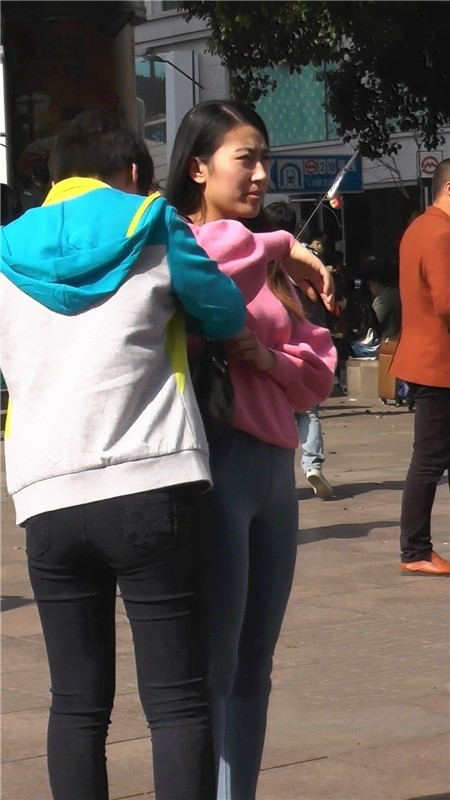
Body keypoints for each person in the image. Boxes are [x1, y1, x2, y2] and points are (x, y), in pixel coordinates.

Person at [1, 109, 248, 800]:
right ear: (135, 171)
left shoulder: (5, 249)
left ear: (54, 180)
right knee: (176, 702)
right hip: (149, 479)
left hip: (46, 492)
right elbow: (224, 313)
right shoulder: (155, 222)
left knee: (76, 705)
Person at [165, 100, 336, 799]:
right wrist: (282, 242)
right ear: (198, 167)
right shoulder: (179, 242)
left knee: (255, 663)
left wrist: (270, 361)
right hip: (216, 464)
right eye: (246, 158)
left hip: (274, 473)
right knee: (216, 662)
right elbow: (216, 261)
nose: (262, 174)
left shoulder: (268, 259)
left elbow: (318, 369)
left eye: (265, 158)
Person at [390, 157, 450, 576]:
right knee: (428, 460)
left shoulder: (419, 227)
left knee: (429, 458)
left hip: (428, 358)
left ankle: (416, 549)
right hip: (438, 363)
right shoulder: (441, 232)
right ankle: (415, 551)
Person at [264, 201, 333, 500]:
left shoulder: (262, 258)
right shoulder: (307, 258)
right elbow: (323, 297)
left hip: (274, 346)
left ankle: (282, 476)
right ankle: (313, 464)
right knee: (309, 411)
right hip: (307, 342)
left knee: (279, 411)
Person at [364, 258, 401, 339]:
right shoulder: (395, 293)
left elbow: (369, 324)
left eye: (369, 285)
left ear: (376, 282)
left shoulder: (384, 299)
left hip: (388, 342)